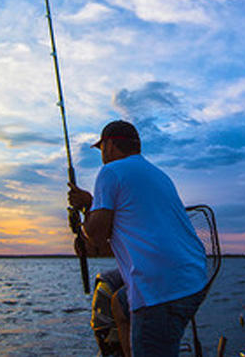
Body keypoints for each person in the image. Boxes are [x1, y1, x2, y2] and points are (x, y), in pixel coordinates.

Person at [68, 120, 207, 357]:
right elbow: (135, 234)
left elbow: (96, 235)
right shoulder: (158, 175)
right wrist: (91, 207)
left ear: (110, 145)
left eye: (101, 149)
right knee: (120, 304)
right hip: (193, 279)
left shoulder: (111, 171)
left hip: (161, 289)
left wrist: (85, 211)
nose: (102, 155)